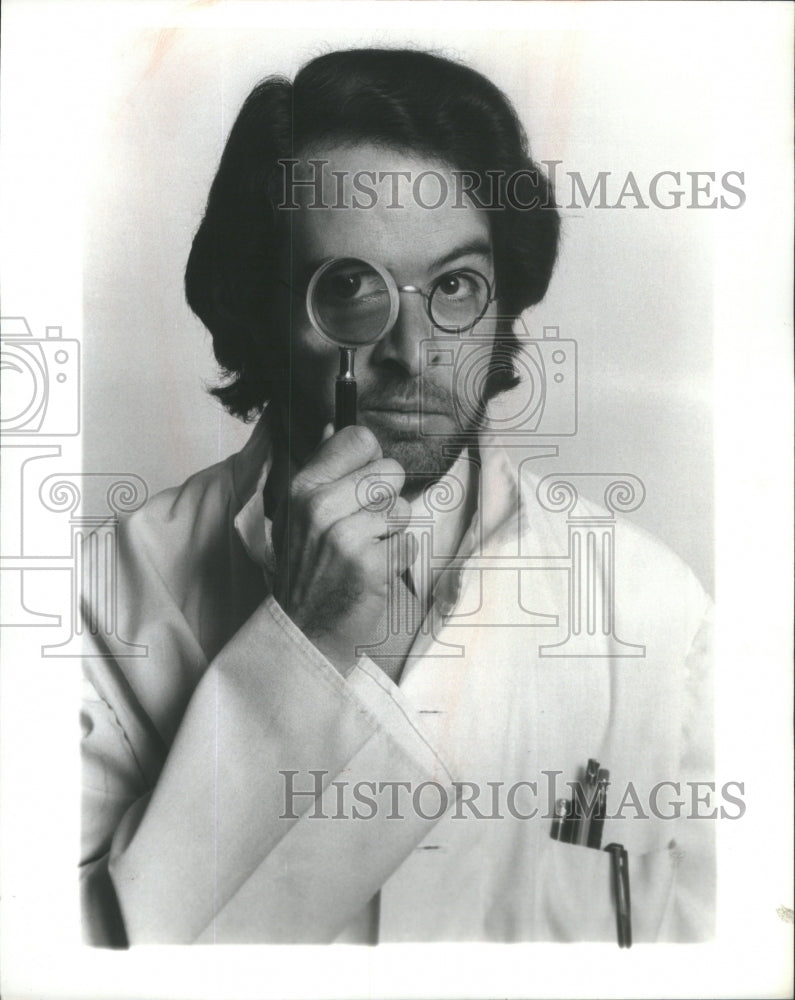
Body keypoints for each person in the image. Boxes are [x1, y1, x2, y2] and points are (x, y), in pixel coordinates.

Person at [80, 48, 714, 946]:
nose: (413, 352)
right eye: (348, 288)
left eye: (454, 285)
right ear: (257, 304)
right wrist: (298, 651)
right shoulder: (103, 597)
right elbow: (67, 961)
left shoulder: (654, 607)